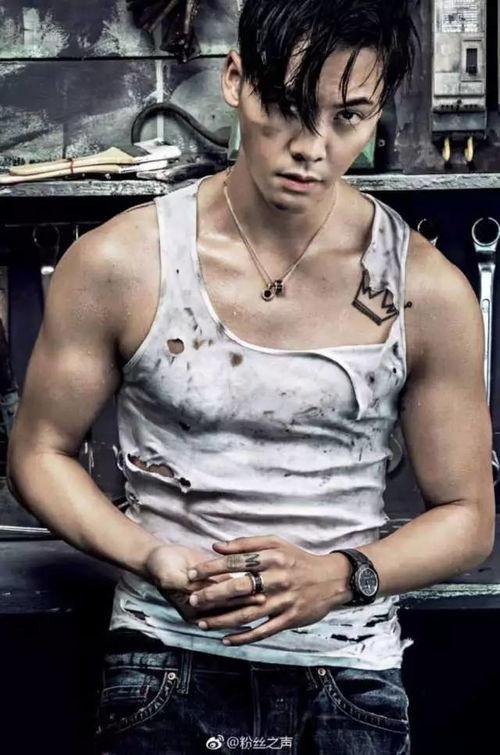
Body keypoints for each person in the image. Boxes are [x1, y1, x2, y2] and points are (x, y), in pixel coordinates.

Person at [7, 0, 495, 753]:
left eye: (348, 117)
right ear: (235, 80)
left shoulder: (425, 290)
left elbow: (468, 515)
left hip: (349, 673)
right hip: (163, 662)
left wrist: (344, 576)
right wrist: (150, 555)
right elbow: (38, 454)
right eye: (289, 107)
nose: (311, 147)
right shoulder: (121, 262)